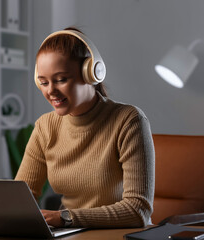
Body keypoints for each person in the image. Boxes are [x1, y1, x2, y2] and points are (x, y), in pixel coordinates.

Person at [15, 27, 155, 228]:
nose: (51, 91)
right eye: (43, 82)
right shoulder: (45, 126)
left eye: (61, 80)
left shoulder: (128, 121)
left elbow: (137, 210)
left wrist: (66, 218)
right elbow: (21, 198)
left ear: (91, 73)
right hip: (71, 233)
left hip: (121, 234)